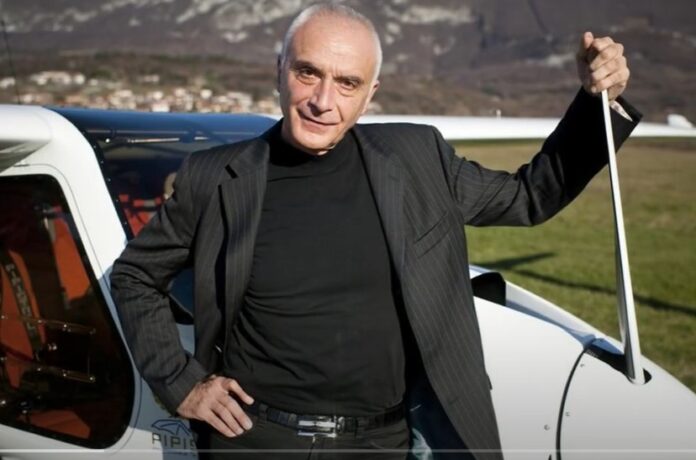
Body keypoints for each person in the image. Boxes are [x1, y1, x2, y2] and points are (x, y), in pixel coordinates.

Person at [110, 3, 640, 459]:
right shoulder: (214, 177)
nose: (323, 100)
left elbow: (530, 196)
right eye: (308, 73)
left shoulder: (416, 159)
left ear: (370, 95)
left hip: (382, 443)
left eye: (347, 83)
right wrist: (180, 384)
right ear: (279, 71)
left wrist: (597, 101)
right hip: (254, 440)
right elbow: (135, 276)